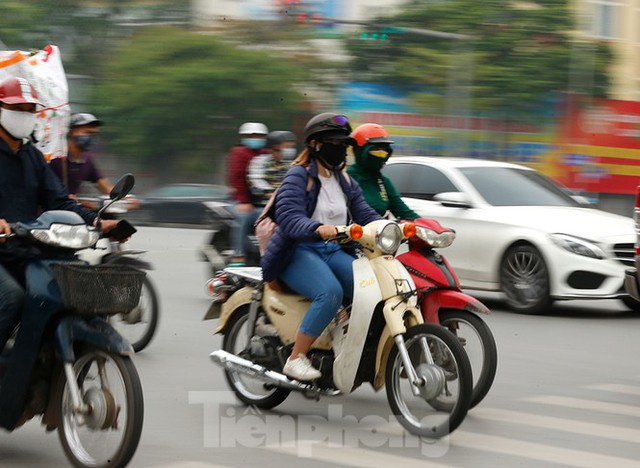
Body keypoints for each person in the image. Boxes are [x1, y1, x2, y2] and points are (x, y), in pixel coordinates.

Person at [0, 76, 119, 352]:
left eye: (31, 110)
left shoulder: (32, 156)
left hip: (26, 249)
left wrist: (96, 221)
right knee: (12, 298)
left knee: (76, 290)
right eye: (18, 110)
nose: (26, 116)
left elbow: (60, 200)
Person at [260, 113, 381, 381]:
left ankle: (343, 343)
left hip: (333, 250)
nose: (339, 148)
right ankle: (296, 358)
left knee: (371, 289)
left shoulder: (345, 181)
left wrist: (391, 227)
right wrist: (316, 228)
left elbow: (366, 213)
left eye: (343, 143)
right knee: (330, 292)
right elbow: (289, 217)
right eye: (332, 142)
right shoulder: (298, 175)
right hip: (298, 251)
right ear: (315, 144)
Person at [347, 123, 419, 221]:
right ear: (358, 151)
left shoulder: (383, 182)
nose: (380, 154)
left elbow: (403, 211)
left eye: (384, 150)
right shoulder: (346, 179)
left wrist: (427, 226)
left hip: (383, 233)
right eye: (375, 149)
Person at [226, 121, 269, 266]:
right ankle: (238, 255)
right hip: (240, 201)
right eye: (252, 135)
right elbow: (236, 177)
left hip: (262, 202)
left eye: (259, 136)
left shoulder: (268, 154)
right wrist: (244, 201)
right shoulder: (238, 153)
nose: (255, 138)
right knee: (243, 217)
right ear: (243, 137)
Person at [49, 113, 113, 198]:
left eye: (94, 134)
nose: (91, 137)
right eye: (88, 132)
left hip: (72, 208)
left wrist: (125, 197)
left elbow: (106, 186)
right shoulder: (56, 156)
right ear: (73, 132)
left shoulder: (87, 160)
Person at [247, 130, 297, 207]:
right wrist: (270, 193)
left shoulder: (295, 164)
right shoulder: (259, 162)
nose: (290, 150)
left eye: (292, 147)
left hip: (289, 205)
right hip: (264, 206)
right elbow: (255, 182)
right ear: (275, 147)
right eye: (287, 147)